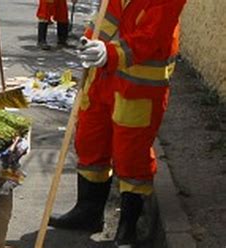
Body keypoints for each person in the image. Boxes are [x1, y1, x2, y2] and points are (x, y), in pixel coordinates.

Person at [48, 0, 187, 247]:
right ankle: (88, 212)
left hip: (138, 86)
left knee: (131, 155)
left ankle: (129, 229)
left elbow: (151, 37)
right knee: (90, 142)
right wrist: (89, 43)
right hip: (102, 78)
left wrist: (109, 53)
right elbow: (106, 18)